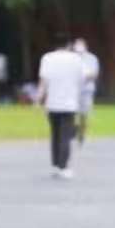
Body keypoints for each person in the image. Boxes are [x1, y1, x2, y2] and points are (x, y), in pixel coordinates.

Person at [37, 35, 85, 179]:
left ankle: (56, 165)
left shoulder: (47, 58)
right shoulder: (76, 59)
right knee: (65, 135)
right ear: (69, 45)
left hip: (52, 102)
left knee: (55, 134)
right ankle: (64, 167)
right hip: (69, 103)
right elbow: (82, 78)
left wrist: (39, 99)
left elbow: (43, 81)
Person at [72, 38, 99, 145]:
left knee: (84, 113)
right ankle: (74, 129)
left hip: (87, 90)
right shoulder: (71, 58)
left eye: (81, 45)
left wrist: (84, 77)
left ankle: (82, 134)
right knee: (72, 112)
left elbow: (94, 74)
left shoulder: (92, 58)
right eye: (77, 45)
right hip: (73, 90)